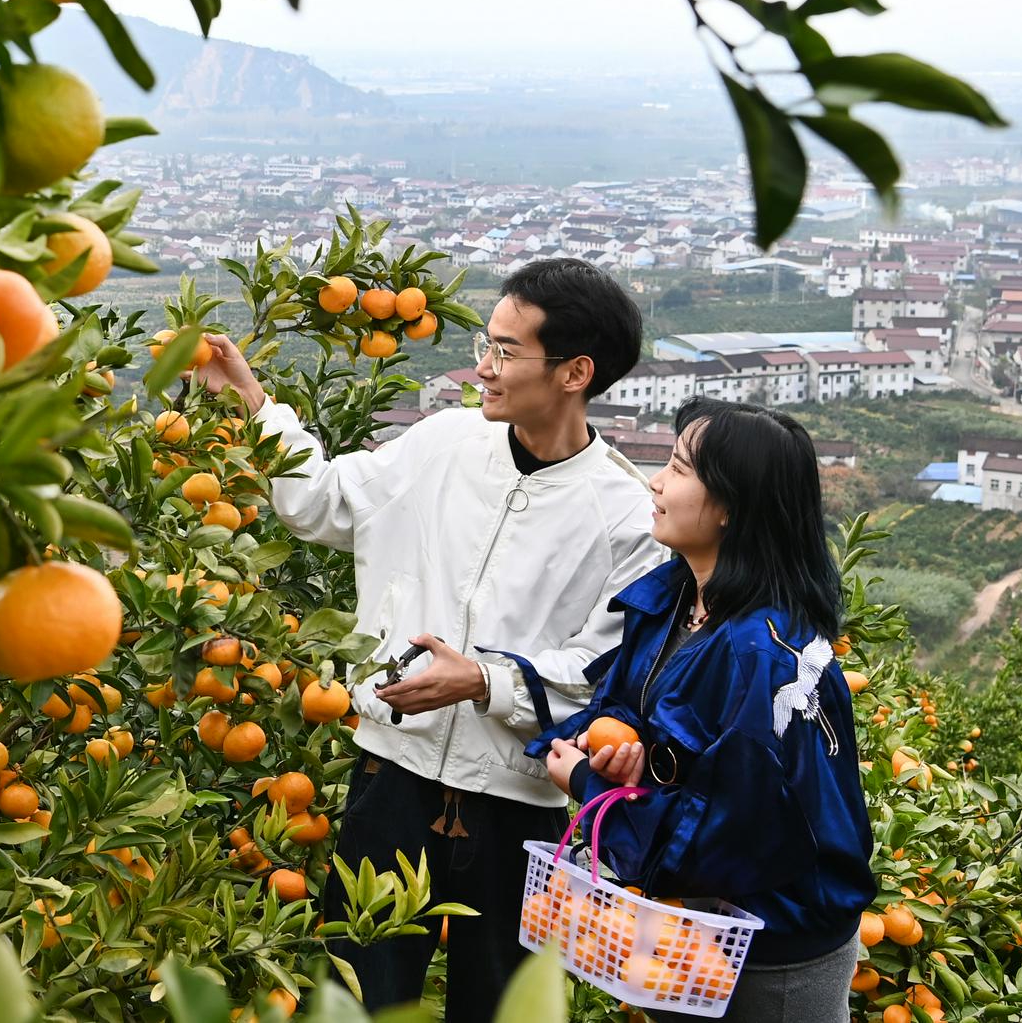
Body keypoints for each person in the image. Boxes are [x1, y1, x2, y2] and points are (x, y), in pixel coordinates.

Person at [193, 257, 666, 1023]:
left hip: (521, 808)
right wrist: (256, 405)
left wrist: (482, 681)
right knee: (357, 997)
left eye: (508, 351)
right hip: (394, 779)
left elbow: (600, 673)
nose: (484, 366)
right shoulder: (443, 444)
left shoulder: (624, 514)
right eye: (489, 342)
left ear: (576, 371)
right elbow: (327, 504)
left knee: (501, 1009)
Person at [543, 398, 875, 1022]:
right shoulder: (673, 598)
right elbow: (629, 704)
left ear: (730, 507)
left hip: (770, 947)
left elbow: (734, 834)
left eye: (678, 467)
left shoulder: (766, 657)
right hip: (689, 920)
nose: (657, 481)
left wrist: (589, 789)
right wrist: (615, 750)